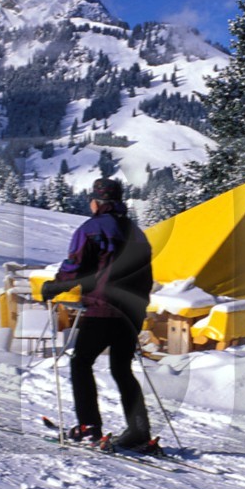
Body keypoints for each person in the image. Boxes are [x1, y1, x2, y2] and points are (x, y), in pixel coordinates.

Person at [45, 177, 154, 449]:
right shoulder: (136, 232)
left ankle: (89, 425)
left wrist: (54, 287)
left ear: (98, 201)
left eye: (91, 199)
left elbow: (77, 267)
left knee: (81, 362)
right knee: (121, 368)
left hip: (103, 309)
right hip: (132, 312)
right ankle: (139, 429)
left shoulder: (92, 229)